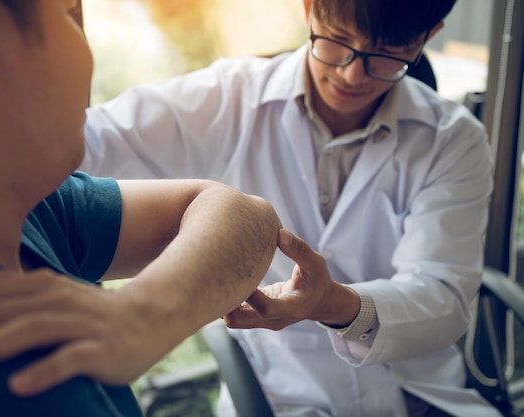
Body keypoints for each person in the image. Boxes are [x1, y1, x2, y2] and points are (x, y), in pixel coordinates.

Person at [78, 0, 500, 416]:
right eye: (337, 41)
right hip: (285, 399)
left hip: (420, 397)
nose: (351, 74)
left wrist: (332, 302)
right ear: (308, 9)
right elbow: (88, 144)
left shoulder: (453, 140)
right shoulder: (230, 97)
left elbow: (444, 296)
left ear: (427, 38)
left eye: (386, 53)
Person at [0, 1, 281, 416]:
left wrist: (139, 317)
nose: (89, 54)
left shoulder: (22, 209)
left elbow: (245, 217)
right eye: (70, 15)